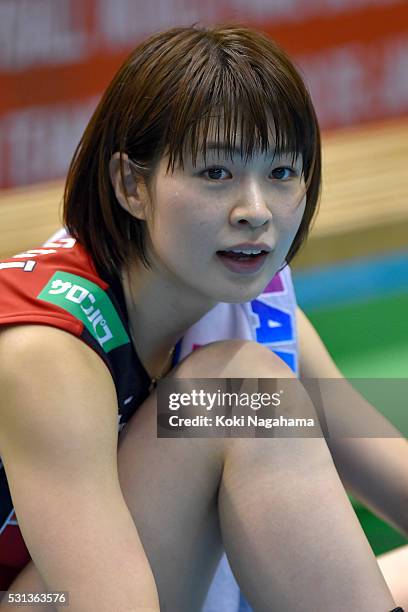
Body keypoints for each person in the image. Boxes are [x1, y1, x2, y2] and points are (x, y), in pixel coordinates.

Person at [0, 23, 406, 612]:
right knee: (235, 395)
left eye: (282, 173)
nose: (256, 211)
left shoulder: (248, 299)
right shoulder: (50, 352)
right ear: (130, 185)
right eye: (216, 173)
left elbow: (374, 454)